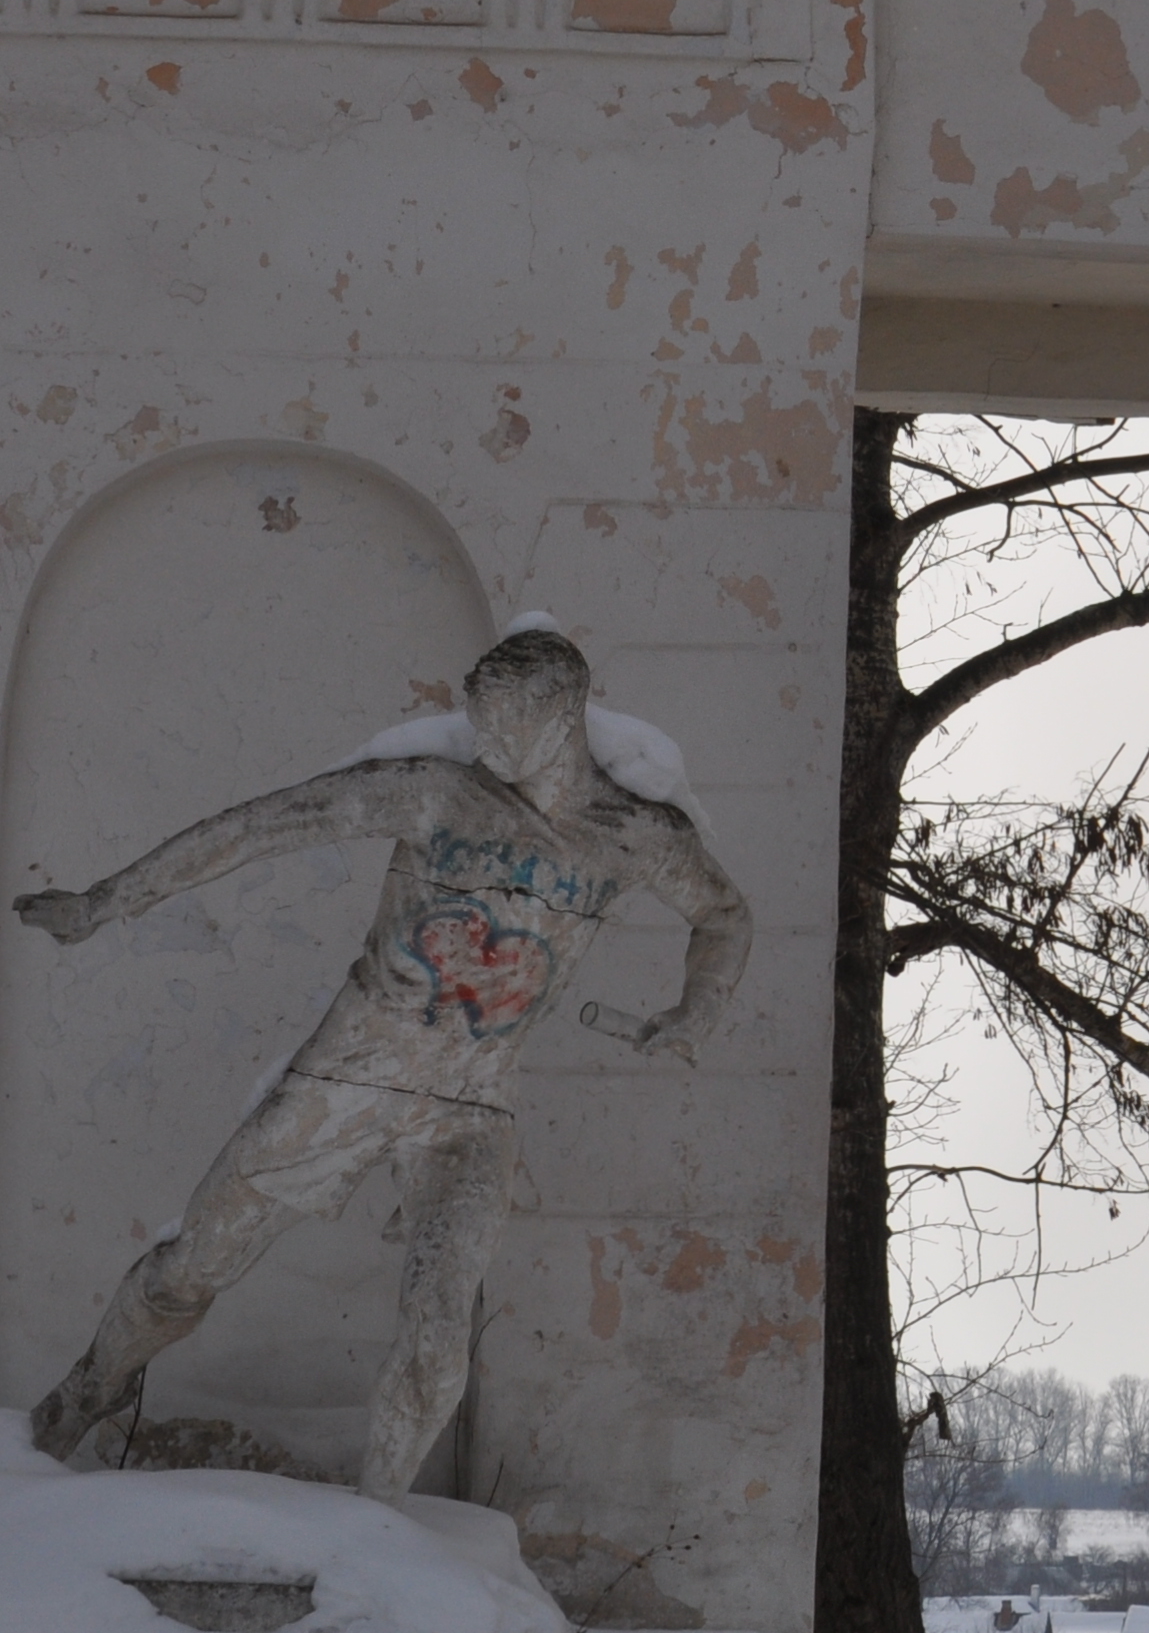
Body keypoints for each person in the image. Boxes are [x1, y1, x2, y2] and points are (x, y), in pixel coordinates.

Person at [12, 615, 749, 1496]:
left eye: (508, 723)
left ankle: (378, 1526)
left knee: (438, 1325)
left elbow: (724, 914)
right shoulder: (435, 792)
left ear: (565, 715)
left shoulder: (633, 835)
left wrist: (694, 1014)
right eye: (478, 720)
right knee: (187, 1272)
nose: (488, 741)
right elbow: (259, 827)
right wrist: (105, 901)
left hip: (469, 1110)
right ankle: (78, 1400)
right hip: (347, 1080)